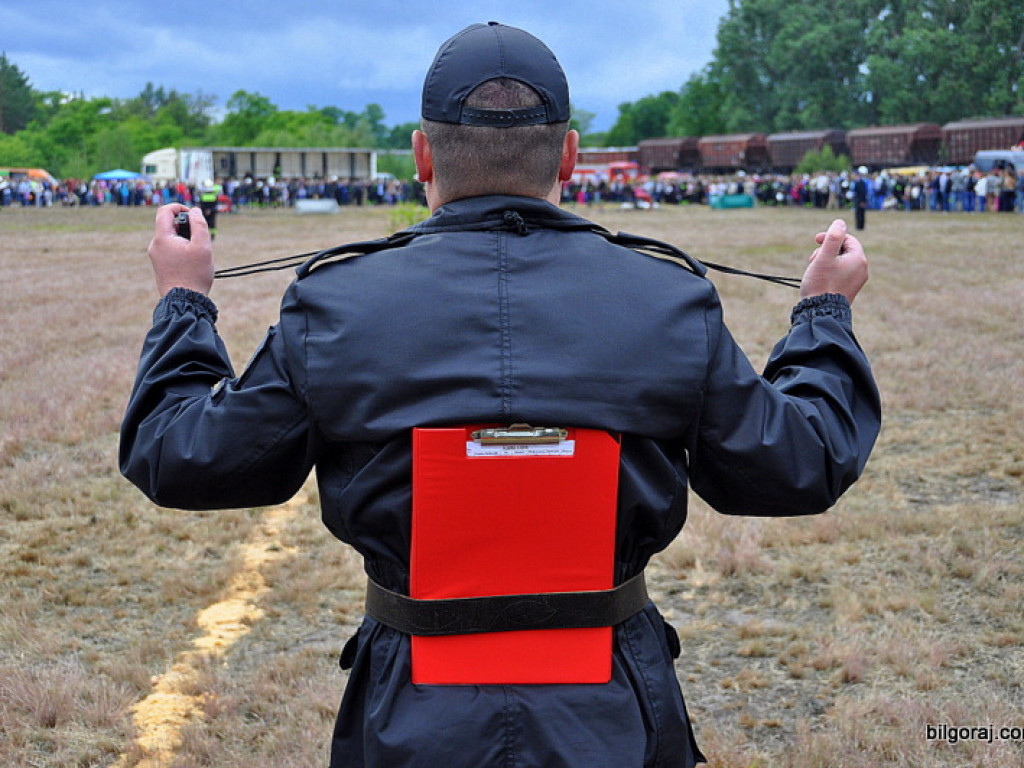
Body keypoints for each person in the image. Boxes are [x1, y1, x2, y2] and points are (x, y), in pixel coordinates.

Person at [120, 22, 881, 768]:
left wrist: (184, 301)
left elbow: (182, 456)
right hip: (612, 716)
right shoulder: (668, 300)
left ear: (422, 155)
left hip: (412, 719)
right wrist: (823, 317)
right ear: (571, 157)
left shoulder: (336, 304)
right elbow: (798, 462)